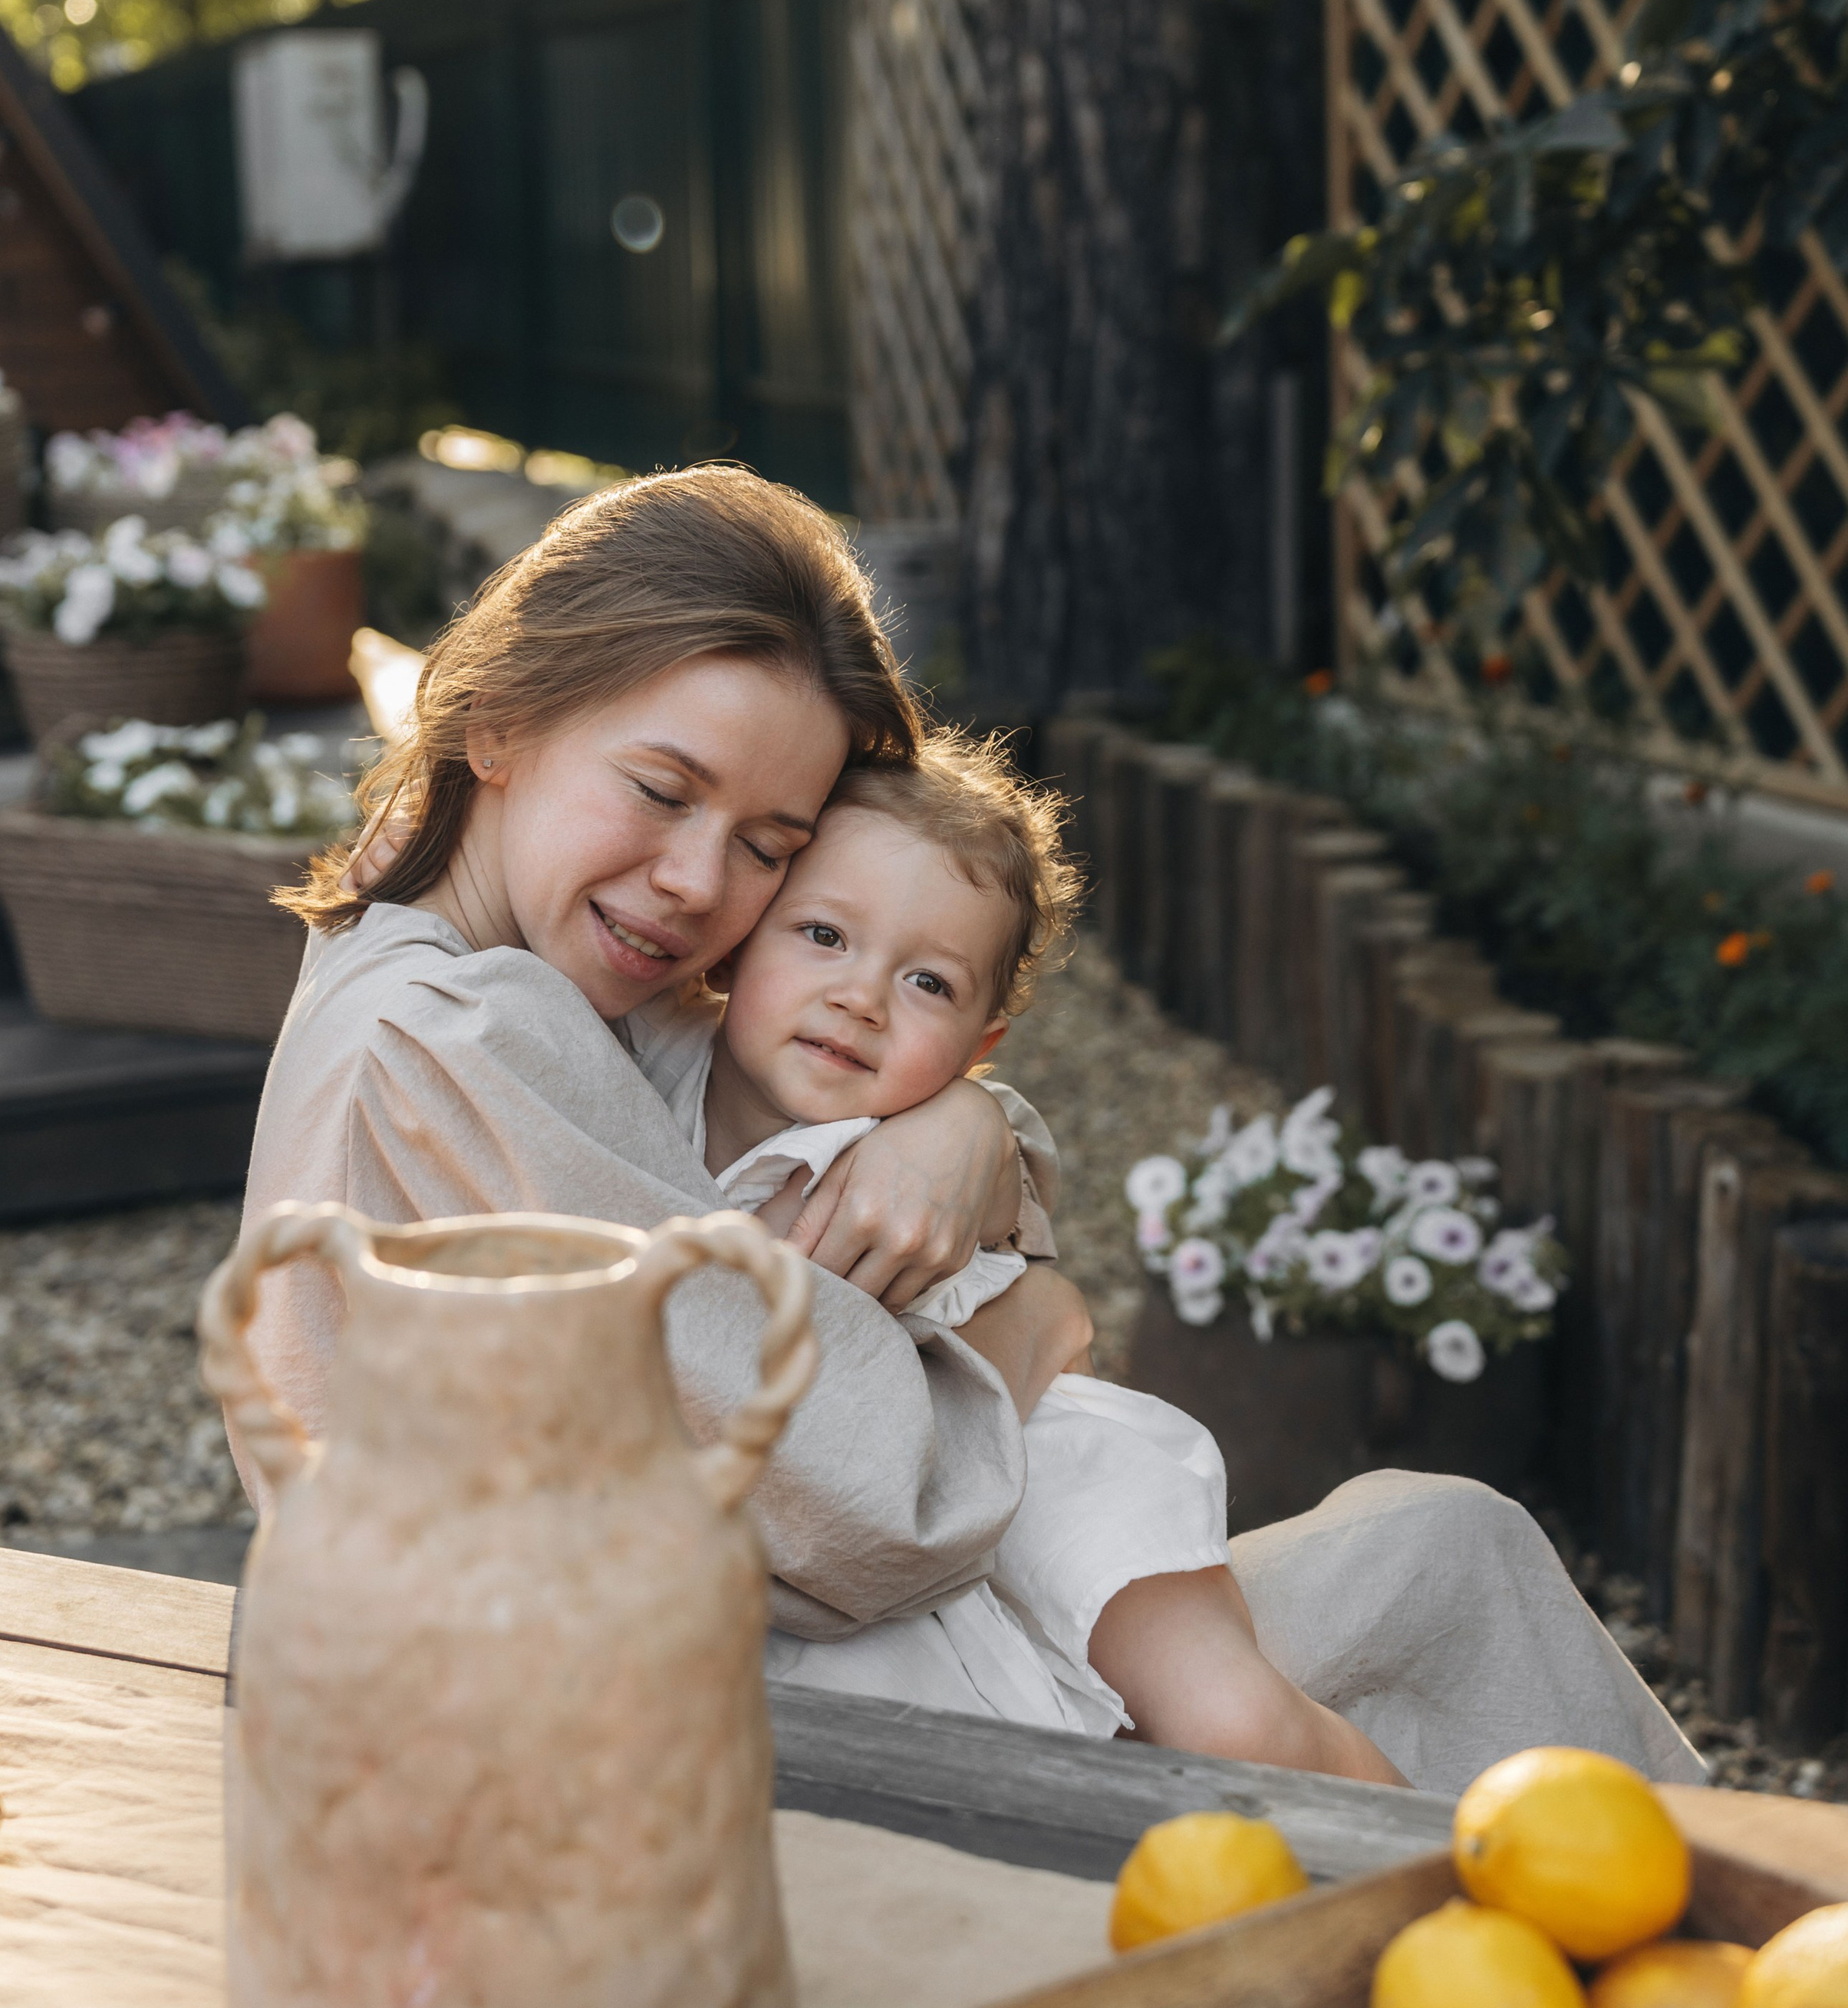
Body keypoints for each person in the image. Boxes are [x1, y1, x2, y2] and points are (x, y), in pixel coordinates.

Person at [234, 462, 1705, 1795]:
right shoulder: (461, 1043)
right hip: (677, 1763)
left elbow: (822, 1106)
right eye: (661, 789)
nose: (696, 884)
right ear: (498, 718)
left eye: (766, 845)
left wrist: (973, 1131)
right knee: (1440, 1580)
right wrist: (1036, 1320)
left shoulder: (495, 956)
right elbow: (856, 1503)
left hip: (731, 1680)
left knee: (1445, 1544)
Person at [633, 729, 1405, 1782]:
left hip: (1036, 1453)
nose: (861, 997)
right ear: (736, 942)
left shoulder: (900, 1143)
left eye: (930, 985)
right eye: (821, 934)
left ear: (981, 1043)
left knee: (1234, 1725)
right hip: (849, 1513)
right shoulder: (637, 1073)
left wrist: (970, 1117)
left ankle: (1465, 1872)